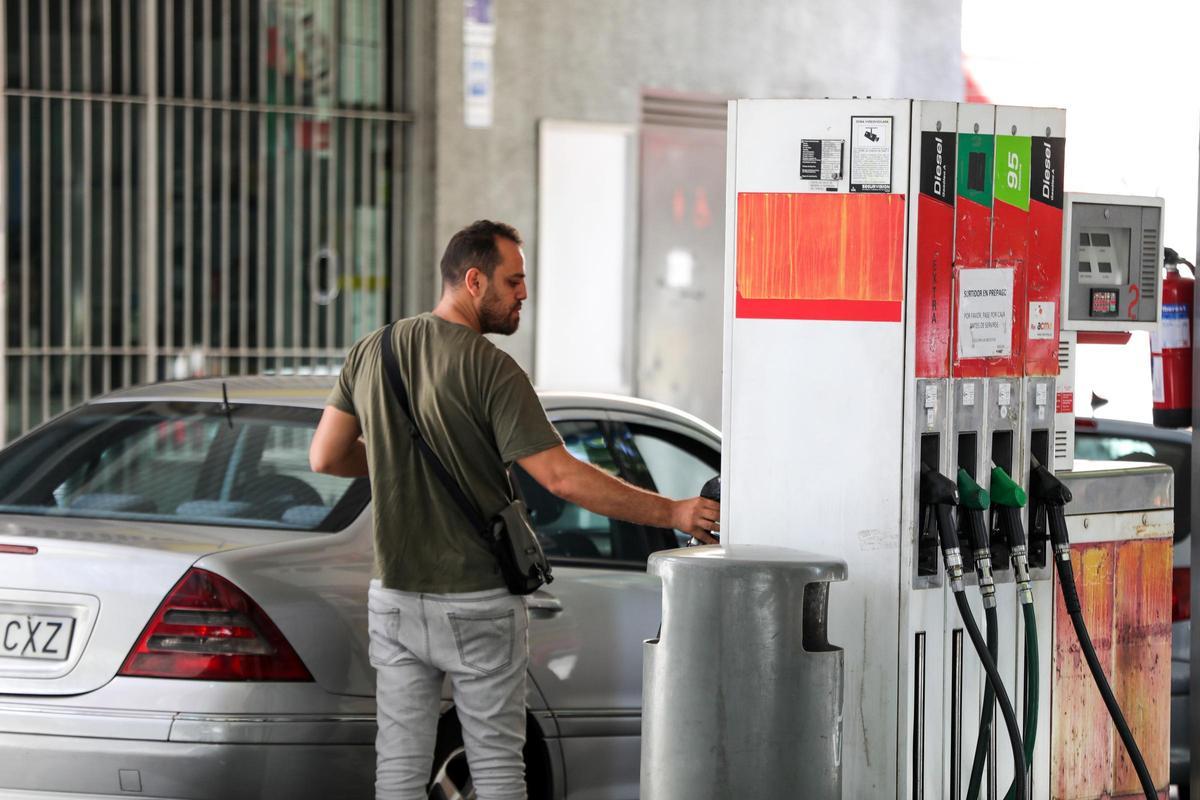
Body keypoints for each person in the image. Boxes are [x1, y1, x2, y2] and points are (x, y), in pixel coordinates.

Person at [309, 219, 720, 800]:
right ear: (474, 281)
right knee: (498, 768)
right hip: (475, 597)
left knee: (398, 772)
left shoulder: (373, 351)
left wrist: (405, 459)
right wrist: (676, 513)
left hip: (395, 595)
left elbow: (326, 456)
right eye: (514, 280)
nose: (524, 293)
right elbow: (561, 477)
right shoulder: (491, 367)